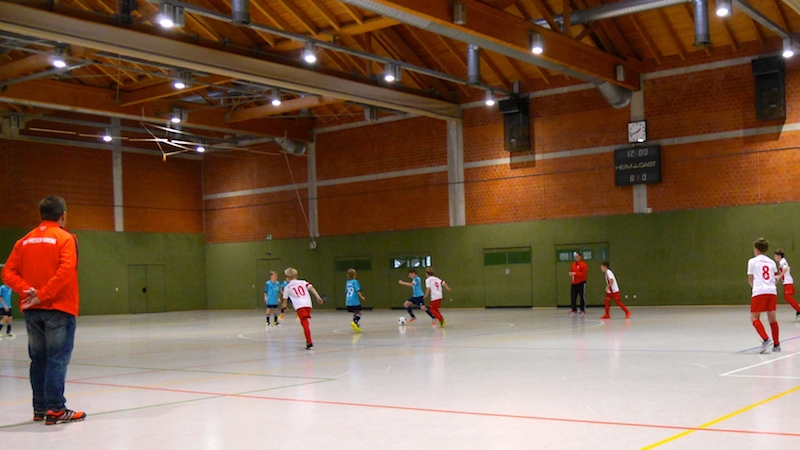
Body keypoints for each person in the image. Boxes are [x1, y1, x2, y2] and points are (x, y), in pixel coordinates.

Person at [1, 196, 86, 424]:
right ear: (63, 215)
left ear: (41, 214)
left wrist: (27, 290)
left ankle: (40, 408)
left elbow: (7, 273)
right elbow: (66, 270)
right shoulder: (65, 238)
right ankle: (56, 409)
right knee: (57, 359)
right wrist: (43, 293)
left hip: (32, 310)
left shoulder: (24, 241)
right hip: (59, 308)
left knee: (38, 360)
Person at [747, 238, 780, 353]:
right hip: (772, 291)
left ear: (756, 249)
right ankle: (777, 344)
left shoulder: (752, 261)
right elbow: (776, 279)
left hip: (759, 291)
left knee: (754, 318)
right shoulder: (772, 262)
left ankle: (766, 339)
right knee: (772, 319)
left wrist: (756, 288)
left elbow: (750, 279)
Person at [282, 267, 323, 350]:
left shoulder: (287, 287)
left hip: (300, 307)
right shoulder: (303, 282)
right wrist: (318, 297)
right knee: (305, 323)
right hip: (308, 305)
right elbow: (311, 288)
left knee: (305, 324)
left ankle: (309, 341)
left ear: (287, 278)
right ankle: (308, 341)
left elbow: (285, 301)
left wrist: (284, 308)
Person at [774, 249, 800, 320]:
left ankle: (798, 309)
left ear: (779, 256)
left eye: (775, 256)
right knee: (787, 297)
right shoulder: (781, 262)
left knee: (787, 297)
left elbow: (785, 269)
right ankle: (798, 309)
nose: (775, 257)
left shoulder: (783, 261)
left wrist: (779, 276)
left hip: (788, 281)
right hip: (786, 281)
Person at [345, 268, 366, 332]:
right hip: (354, 301)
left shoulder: (347, 282)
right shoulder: (355, 282)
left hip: (348, 300)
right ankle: (355, 322)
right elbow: (357, 290)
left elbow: (346, 292)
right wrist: (361, 297)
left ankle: (355, 325)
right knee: (360, 312)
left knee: (355, 312)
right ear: (354, 275)